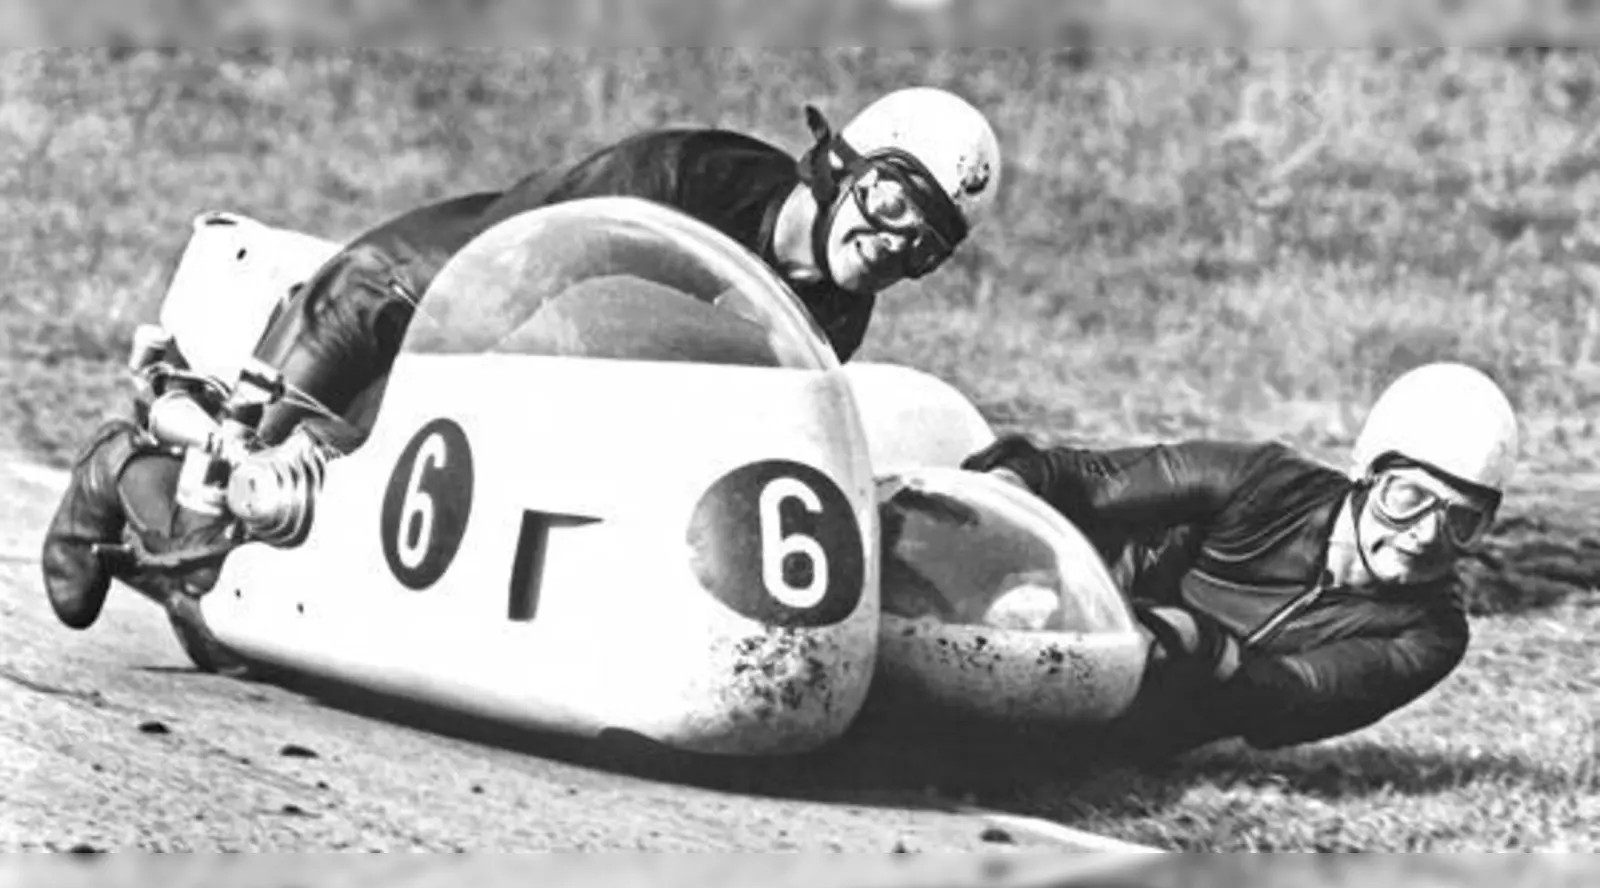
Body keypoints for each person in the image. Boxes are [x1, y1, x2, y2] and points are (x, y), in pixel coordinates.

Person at [40, 85, 1005, 636]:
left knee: (287, 631)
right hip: (421, 304)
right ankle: (119, 467)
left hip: (553, 386)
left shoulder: (837, 315)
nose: (895, 244)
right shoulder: (682, 178)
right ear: (839, 168)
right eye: (891, 203)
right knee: (225, 563)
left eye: (927, 241)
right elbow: (517, 275)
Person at [960, 361, 1520, 762]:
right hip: (1056, 599)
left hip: (1136, 720)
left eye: (1461, 520)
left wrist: (1192, 644)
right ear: (1367, 475)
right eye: (1408, 498)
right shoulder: (1260, 482)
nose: (1425, 535)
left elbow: (1290, 698)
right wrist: (1001, 491)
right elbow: (1075, 478)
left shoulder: (1431, 634)